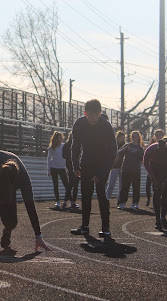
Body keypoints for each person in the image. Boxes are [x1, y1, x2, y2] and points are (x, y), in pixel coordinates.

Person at [0, 143, 51, 252]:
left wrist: (38, 236)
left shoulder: (24, 180)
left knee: (11, 218)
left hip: (6, 184)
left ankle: (7, 231)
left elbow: (30, 207)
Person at [70, 99, 117, 238]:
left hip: (102, 163)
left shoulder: (106, 127)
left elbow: (113, 152)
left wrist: (101, 173)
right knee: (86, 195)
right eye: (89, 115)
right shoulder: (79, 124)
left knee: (102, 195)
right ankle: (85, 226)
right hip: (86, 163)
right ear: (85, 113)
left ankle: (106, 227)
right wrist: (75, 166)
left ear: (100, 114)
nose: (92, 118)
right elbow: (75, 146)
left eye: (95, 115)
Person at [144, 139, 167, 231]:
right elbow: (145, 163)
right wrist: (153, 178)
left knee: (166, 193)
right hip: (155, 168)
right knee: (156, 193)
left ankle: (163, 217)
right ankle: (157, 219)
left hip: (166, 169)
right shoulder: (151, 149)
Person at [117, 131, 144, 210]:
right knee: (124, 187)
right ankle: (122, 203)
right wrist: (126, 149)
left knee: (136, 187)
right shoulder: (127, 145)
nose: (134, 137)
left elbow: (142, 158)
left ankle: (135, 203)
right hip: (126, 169)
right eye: (133, 136)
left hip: (136, 170)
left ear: (138, 137)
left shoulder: (140, 148)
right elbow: (120, 152)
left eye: (136, 136)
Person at [47, 131, 70, 209]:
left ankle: (68, 201)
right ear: (56, 139)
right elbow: (49, 159)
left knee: (67, 185)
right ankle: (57, 202)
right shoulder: (51, 147)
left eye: (61, 137)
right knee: (55, 185)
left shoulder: (64, 146)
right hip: (54, 168)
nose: (61, 139)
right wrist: (48, 170)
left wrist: (67, 169)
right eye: (59, 137)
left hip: (62, 168)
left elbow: (67, 158)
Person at [106, 131, 126, 203]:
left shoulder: (125, 145)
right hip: (114, 166)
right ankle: (107, 198)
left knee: (121, 185)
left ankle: (119, 199)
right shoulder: (113, 144)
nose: (123, 139)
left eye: (124, 138)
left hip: (122, 166)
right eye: (121, 138)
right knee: (111, 183)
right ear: (118, 137)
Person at [62, 132, 79, 209]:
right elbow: (64, 155)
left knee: (72, 185)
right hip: (74, 167)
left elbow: (64, 155)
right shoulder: (75, 144)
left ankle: (68, 202)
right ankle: (70, 202)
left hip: (72, 166)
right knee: (73, 185)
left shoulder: (67, 144)